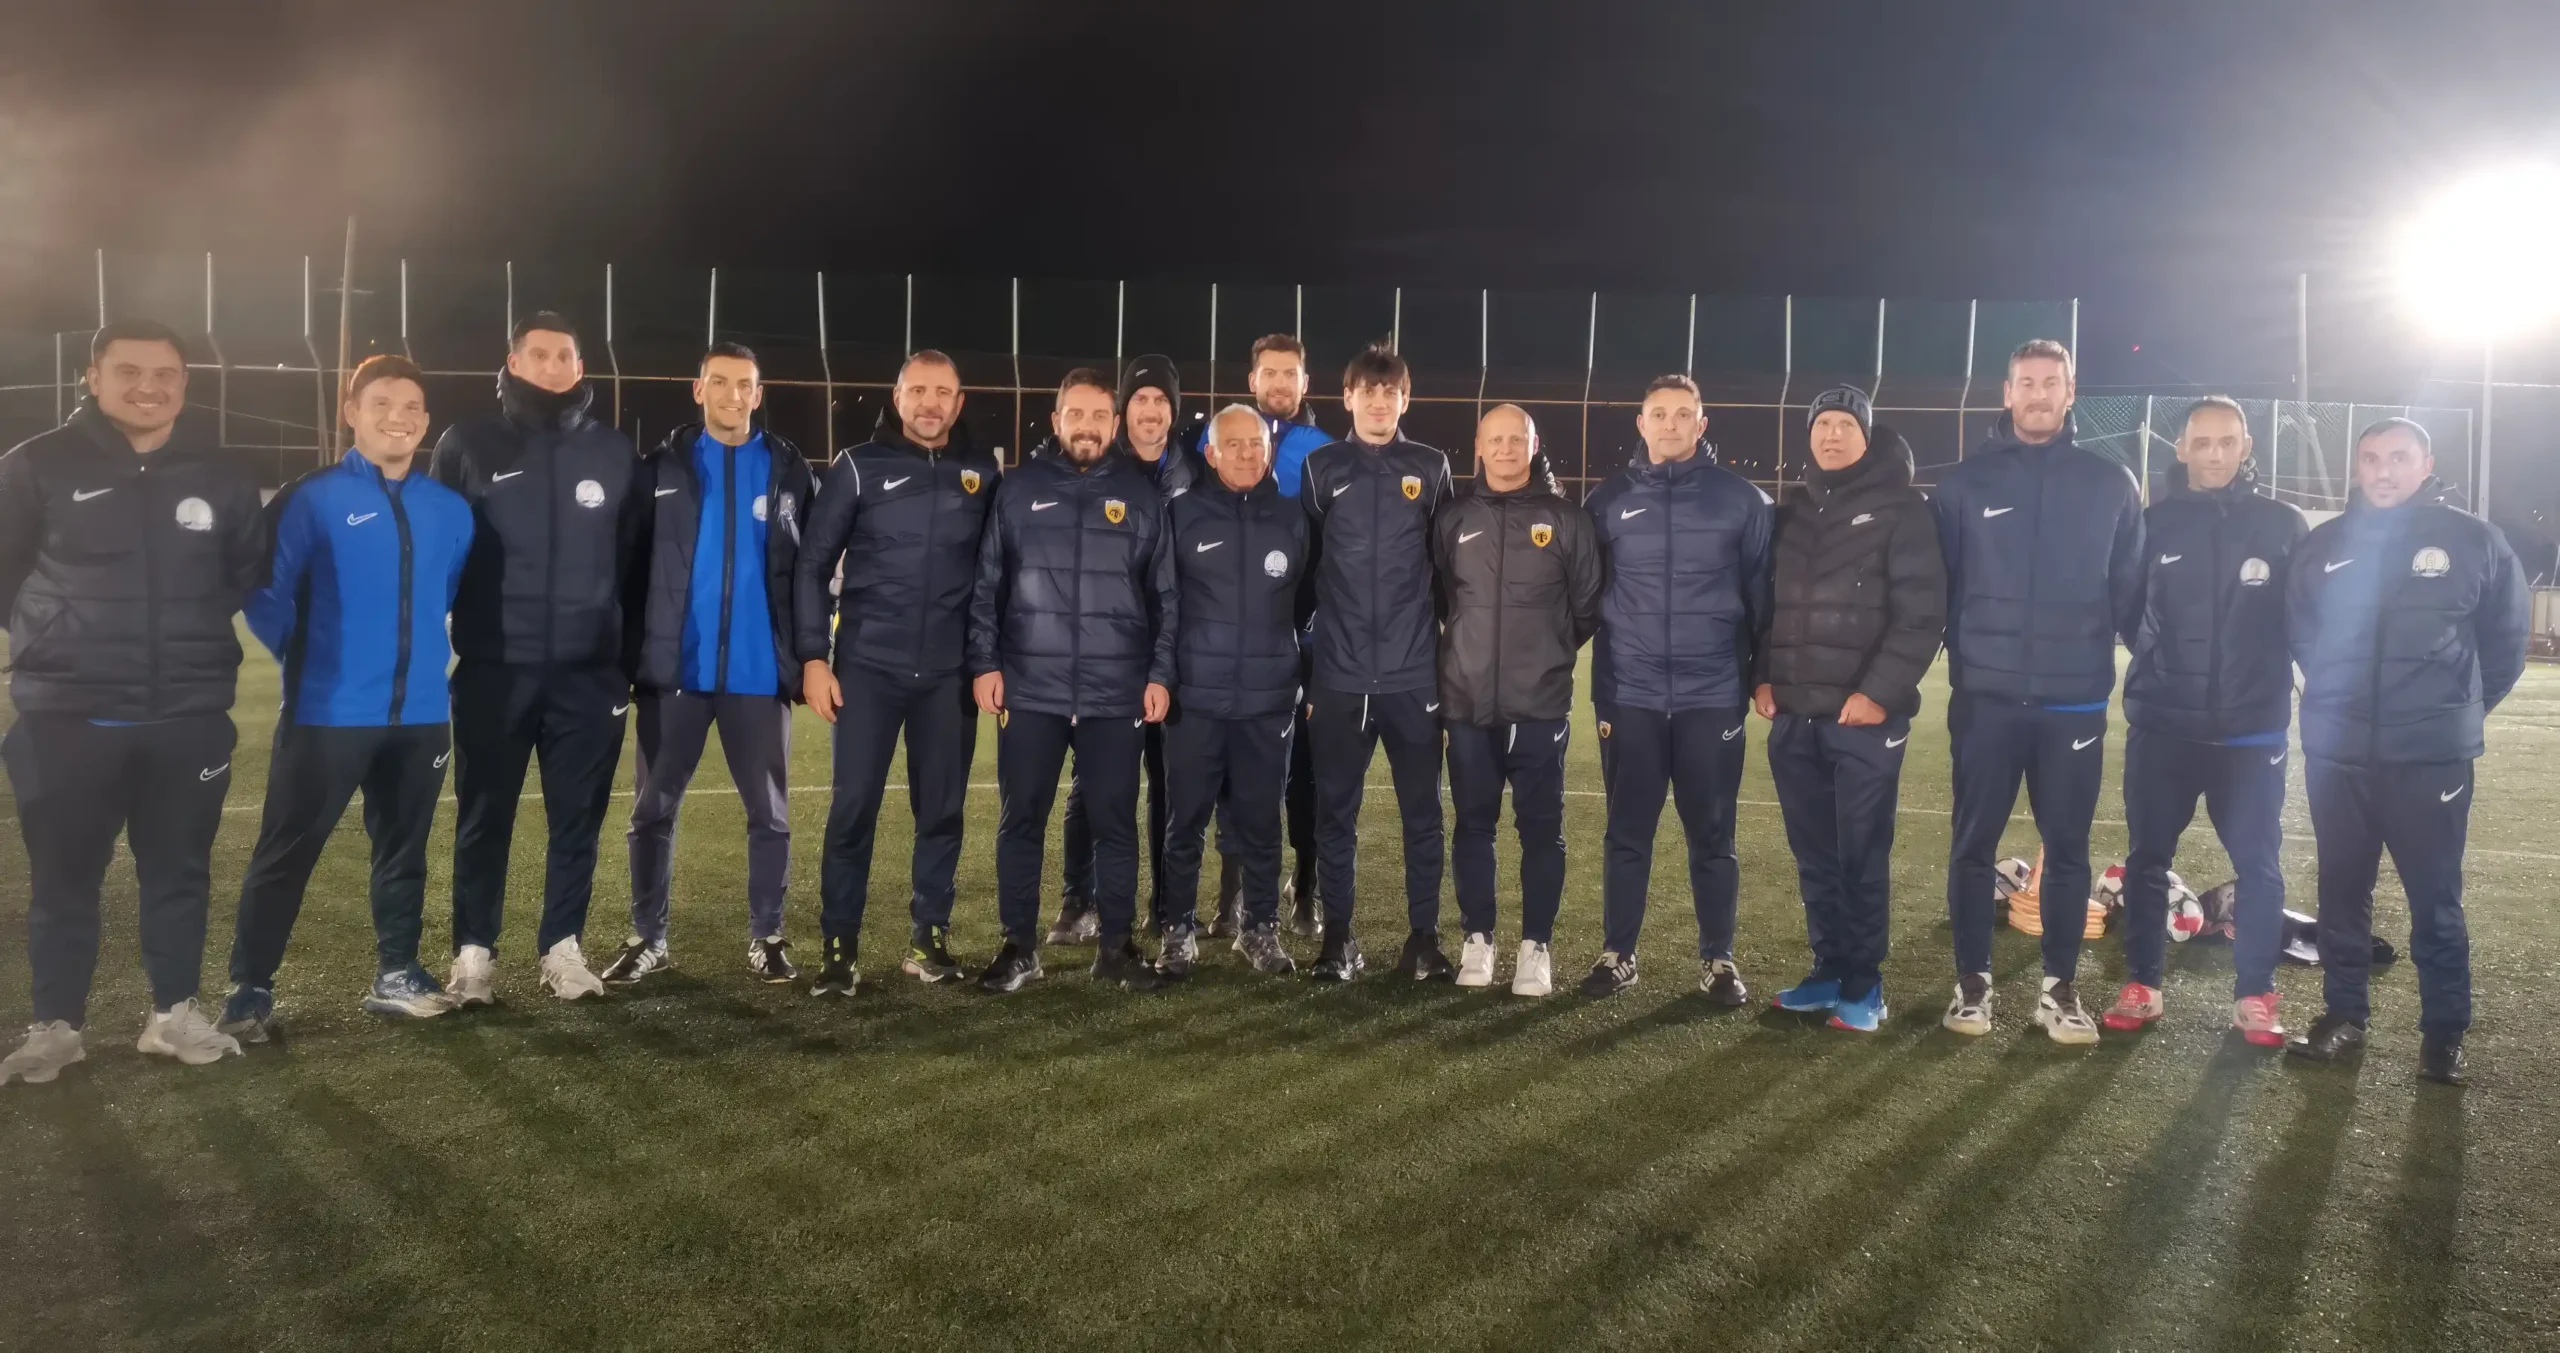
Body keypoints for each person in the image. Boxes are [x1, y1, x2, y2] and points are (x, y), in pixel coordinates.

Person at [0, 319, 266, 1083]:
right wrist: (61, 637)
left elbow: (244, 573)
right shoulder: (36, 464)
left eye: (165, 373)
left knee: (179, 873)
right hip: (67, 719)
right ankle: (56, 1026)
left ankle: (172, 1014)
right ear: (93, 376)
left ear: (184, 382)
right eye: (129, 372)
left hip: (187, 718)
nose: (149, 387)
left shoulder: (220, 472)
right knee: (63, 879)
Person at [214, 355, 476, 1041]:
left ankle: (397, 972)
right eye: (381, 402)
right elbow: (266, 594)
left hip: (422, 714)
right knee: (287, 850)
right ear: (351, 411)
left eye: (412, 406)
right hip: (327, 713)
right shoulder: (313, 497)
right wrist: (313, 661)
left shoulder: (449, 509)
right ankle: (250, 989)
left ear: (426, 420)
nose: (398, 417)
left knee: (404, 850)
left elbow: (444, 592)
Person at [2286, 418, 2526, 1085]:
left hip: (2430, 760)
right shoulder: (2324, 546)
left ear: (2426, 464)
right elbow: (2303, 636)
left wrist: (2448, 715)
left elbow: (2505, 647)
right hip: (2339, 757)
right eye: (2370, 458)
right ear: (2357, 466)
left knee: (2435, 899)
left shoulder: (2474, 541)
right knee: (2341, 892)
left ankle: (2443, 1034)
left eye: (2398, 457)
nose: (2383, 470)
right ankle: (2343, 1015)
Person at [431, 311, 650, 1004]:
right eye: (540, 354)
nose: (553, 366)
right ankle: (474, 955)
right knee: (483, 815)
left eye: (565, 356)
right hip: (494, 670)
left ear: (580, 368)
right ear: (514, 362)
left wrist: (624, 662)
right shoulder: (466, 442)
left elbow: (637, 565)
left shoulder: (614, 451)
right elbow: (438, 551)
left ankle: (562, 946)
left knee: (577, 819)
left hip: (589, 675)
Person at [1930, 338, 2144, 1043]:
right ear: (2007, 392)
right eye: (2027, 382)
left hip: (2073, 699)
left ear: (2070, 392)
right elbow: (1937, 588)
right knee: (1972, 845)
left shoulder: (2110, 483)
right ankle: (1973, 986)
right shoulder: (1964, 485)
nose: (2039, 394)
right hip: (1985, 699)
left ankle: (2059, 989)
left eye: (2052, 382)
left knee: (2068, 849)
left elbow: (2131, 592)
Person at [605, 342, 815, 987]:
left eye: (744, 384)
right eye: (719, 382)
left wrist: (808, 655)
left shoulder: (789, 470)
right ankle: (648, 938)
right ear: (698, 390)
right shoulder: (659, 468)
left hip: (759, 675)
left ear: (759, 393)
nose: (732, 394)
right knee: (651, 812)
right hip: (675, 674)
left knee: (770, 816)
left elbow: (810, 570)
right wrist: (628, 655)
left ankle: (768, 936)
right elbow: (627, 567)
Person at [967, 369, 1179, 993]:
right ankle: (1019, 946)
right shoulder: (1017, 489)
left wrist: (1159, 673)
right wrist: (985, 663)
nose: (1087, 427)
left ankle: (1115, 947)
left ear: (1114, 425)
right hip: (1032, 686)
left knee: (1115, 823)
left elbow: (1165, 597)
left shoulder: (1140, 494)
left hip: (1116, 691)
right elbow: (988, 585)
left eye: (1098, 416)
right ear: (1057, 420)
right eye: (1076, 415)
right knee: (1021, 820)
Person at [796, 351, 1000, 995]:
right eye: (918, 391)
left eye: (942, 393)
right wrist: (813, 658)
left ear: (958, 403)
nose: (930, 404)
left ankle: (927, 939)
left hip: (947, 676)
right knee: (853, 810)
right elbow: (813, 565)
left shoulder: (983, 472)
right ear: (897, 396)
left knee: (940, 812)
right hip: (868, 671)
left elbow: (997, 577)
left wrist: (989, 663)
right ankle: (839, 948)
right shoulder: (858, 465)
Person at [2111, 396, 2306, 1044]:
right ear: (2183, 449)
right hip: (2164, 726)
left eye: (2227, 441)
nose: (2215, 454)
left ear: (2246, 446)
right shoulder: (2154, 524)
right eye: (2203, 442)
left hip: (2251, 732)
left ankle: (2255, 994)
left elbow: (2304, 619)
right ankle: (2143, 984)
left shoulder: (2282, 525)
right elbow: (2127, 612)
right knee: (2147, 859)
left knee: (2259, 865)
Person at [1752, 386, 1945, 1031]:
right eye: (1822, 424)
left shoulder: (1903, 509)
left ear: (1867, 435)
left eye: (1845, 425)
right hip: (1795, 718)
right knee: (1815, 855)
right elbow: (1770, 607)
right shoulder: (1793, 510)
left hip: (1864, 721)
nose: (1831, 435)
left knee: (1861, 853)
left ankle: (1865, 983)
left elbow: (1922, 614)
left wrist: (1878, 693)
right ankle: (1828, 969)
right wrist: (1763, 677)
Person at [1581, 373, 1772, 1003]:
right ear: (1641, 423)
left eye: (1682, 414)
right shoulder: (1607, 500)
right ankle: (1618, 952)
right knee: (1626, 830)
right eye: (1659, 413)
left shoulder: (1742, 501)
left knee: (1713, 835)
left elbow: (1762, 598)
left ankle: (1719, 960)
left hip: (1710, 693)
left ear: (1701, 424)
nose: (1670, 424)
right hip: (1628, 692)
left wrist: (1762, 675)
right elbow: (1583, 593)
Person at [1432, 406, 1603, 995]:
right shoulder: (1453, 518)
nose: (1506, 449)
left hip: (1539, 705)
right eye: (1495, 439)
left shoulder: (1567, 519)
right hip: (1467, 701)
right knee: (1473, 826)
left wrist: (1546, 652)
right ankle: (1478, 939)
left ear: (1533, 445)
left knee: (1541, 830)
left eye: (1517, 439)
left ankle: (1536, 946)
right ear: (1478, 446)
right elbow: (1443, 599)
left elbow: (1586, 607)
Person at [1298, 343, 1454, 982]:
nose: (1380, 402)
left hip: (1413, 674)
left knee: (1423, 813)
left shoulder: (1431, 466)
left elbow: (1445, 568)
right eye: (1369, 391)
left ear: (1405, 399)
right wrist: (1309, 659)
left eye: (1391, 392)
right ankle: (1338, 938)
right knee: (1335, 812)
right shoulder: (1321, 468)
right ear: (1349, 397)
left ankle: (1424, 939)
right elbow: (1307, 569)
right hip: (1339, 675)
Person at [1050, 354, 1199, 946]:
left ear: (1173, 411)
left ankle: (1164, 907)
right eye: (1141, 398)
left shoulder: (1195, 472)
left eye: (1161, 400)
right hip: (1105, 653)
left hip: (1173, 651)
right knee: (1092, 782)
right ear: (1122, 411)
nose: (1151, 410)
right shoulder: (1096, 469)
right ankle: (1078, 900)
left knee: (1169, 783)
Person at [1156, 404, 1308, 978]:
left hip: (1268, 701)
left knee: (1262, 824)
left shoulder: (1293, 517)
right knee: (1185, 824)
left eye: (1256, 444)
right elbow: (1164, 606)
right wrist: (1166, 677)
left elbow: (1308, 602)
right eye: (1235, 445)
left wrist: (1296, 672)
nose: (1247, 454)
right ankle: (1177, 930)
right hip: (1196, 699)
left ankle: (1260, 929)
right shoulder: (1182, 515)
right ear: (1211, 453)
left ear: (1269, 452)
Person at [1213, 333, 1335, 939]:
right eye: (1270, 373)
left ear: (1304, 384)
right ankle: (1231, 892)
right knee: (1235, 769)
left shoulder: (1326, 450)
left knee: (1306, 769)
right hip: (1236, 631)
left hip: (1304, 636)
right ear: (1252, 379)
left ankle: (1306, 885)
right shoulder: (1221, 437)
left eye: (1290, 374)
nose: (1280, 384)